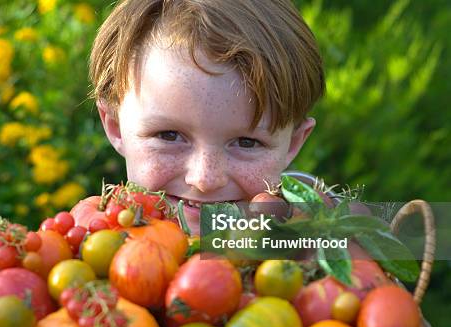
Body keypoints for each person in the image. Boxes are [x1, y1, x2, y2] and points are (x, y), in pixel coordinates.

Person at [88, 0, 325, 235]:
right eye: (169, 136)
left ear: (293, 143)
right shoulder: (76, 254)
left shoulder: (323, 256)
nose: (205, 179)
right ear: (116, 127)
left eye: (247, 142)